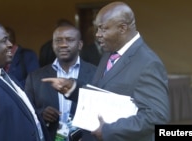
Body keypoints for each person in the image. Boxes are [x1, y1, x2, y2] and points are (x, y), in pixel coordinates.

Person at [42, 1, 170, 141]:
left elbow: (157, 117)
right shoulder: (110, 53)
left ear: (122, 28)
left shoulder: (148, 63)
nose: (97, 34)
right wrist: (73, 88)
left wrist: (109, 130)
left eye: (103, 29)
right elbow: (103, 94)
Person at [25, 24, 96, 141]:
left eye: (69, 40)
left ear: (80, 45)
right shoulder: (35, 77)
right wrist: (41, 114)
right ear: (53, 45)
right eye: (58, 40)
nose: (63, 44)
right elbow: (26, 112)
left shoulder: (96, 74)